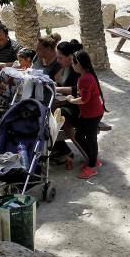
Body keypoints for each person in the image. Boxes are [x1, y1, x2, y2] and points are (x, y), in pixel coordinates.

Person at [64, 50, 106, 179]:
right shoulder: (86, 76)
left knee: (91, 139)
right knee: (80, 137)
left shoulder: (84, 78)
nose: (72, 65)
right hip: (88, 114)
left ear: (79, 64)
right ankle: (93, 160)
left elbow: (84, 99)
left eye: (73, 63)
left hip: (93, 114)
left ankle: (92, 166)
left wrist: (71, 100)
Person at [51, 39, 83, 168]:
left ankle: (62, 150)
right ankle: (60, 149)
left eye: (60, 58)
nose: (58, 61)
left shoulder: (77, 70)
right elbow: (61, 84)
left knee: (55, 113)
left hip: (77, 109)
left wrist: (58, 89)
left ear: (70, 58)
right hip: (67, 104)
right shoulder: (64, 68)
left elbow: (77, 90)